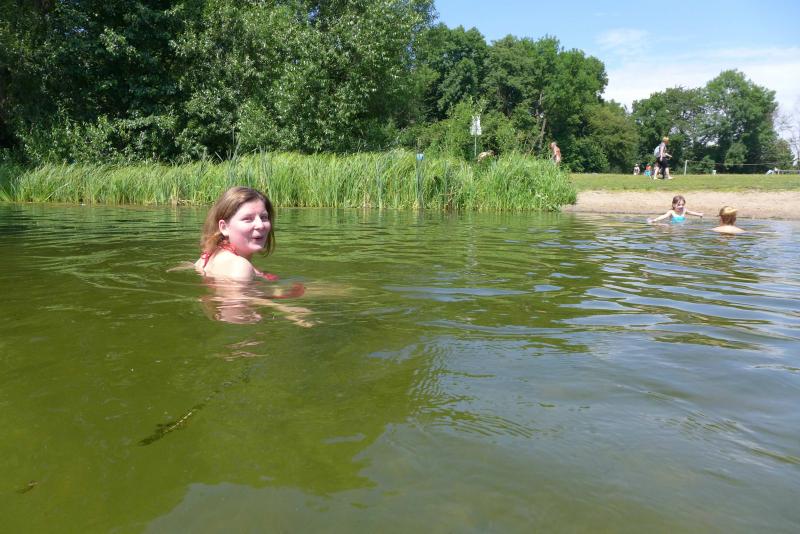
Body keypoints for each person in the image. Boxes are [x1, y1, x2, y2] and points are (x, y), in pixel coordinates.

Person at [195, 186, 311, 325]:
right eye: (248, 219)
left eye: (264, 217)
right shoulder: (240, 266)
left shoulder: (208, 256)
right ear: (224, 227)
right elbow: (237, 302)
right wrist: (287, 310)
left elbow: (194, 267)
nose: (260, 225)